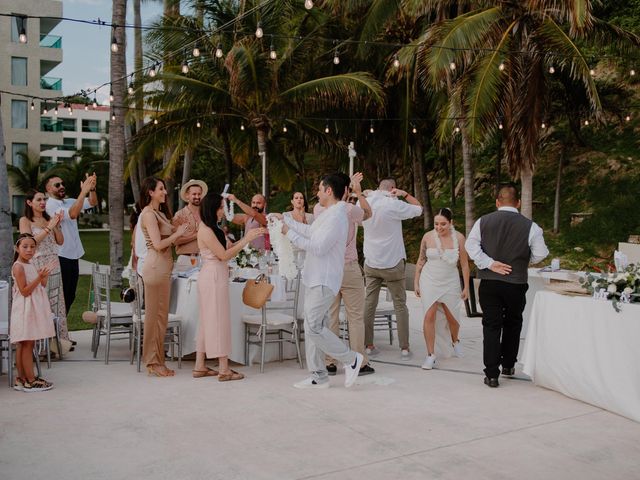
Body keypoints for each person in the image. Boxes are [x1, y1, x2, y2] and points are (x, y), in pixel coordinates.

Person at [273, 173, 364, 389]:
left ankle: (351, 359)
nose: (317, 193)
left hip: (324, 278)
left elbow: (318, 247)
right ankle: (318, 375)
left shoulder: (337, 217)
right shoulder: (328, 213)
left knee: (314, 326)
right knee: (314, 325)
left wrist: (288, 232)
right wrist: (284, 220)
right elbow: (310, 231)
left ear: (329, 191)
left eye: (320, 189)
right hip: (314, 276)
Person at [465, 183, 549, 388]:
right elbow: (541, 253)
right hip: (516, 282)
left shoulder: (483, 221)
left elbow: (470, 246)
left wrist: (489, 263)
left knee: (491, 325)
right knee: (513, 322)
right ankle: (509, 365)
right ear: (518, 202)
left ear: (497, 202)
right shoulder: (531, 226)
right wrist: (521, 260)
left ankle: (492, 374)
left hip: (490, 282)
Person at [193, 193, 266, 382]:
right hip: (213, 276)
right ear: (212, 209)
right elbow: (223, 255)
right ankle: (224, 369)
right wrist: (246, 239)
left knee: (206, 320)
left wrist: (240, 242)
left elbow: (226, 249)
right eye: (220, 208)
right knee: (218, 320)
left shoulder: (212, 228)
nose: (223, 212)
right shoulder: (206, 230)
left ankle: (200, 365)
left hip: (213, 274)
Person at [313, 172, 375, 376]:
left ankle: (331, 361)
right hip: (348, 267)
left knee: (331, 316)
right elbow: (368, 213)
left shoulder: (318, 209)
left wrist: (346, 189)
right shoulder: (350, 210)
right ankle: (360, 362)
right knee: (355, 317)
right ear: (346, 191)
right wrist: (358, 192)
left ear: (328, 190)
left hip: (329, 269)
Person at [362, 178, 422, 360]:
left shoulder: (365, 201)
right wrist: (405, 194)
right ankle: (404, 348)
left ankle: (368, 345)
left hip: (371, 261)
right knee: (400, 305)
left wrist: (366, 193)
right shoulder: (394, 205)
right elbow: (419, 208)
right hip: (393, 262)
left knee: (369, 304)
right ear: (393, 189)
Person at [139, 177, 190, 377]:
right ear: (150, 192)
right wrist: (178, 234)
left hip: (163, 268)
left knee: (161, 317)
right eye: (161, 189)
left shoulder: (159, 213)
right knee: (155, 317)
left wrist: (182, 231)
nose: (165, 192)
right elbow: (159, 245)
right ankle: (152, 362)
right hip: (156, 268)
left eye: (164, 188)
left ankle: (158, 360)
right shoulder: (148, 214)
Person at [414, 208, 470, 370]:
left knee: (452, 317)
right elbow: (420, 260)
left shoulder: (459, 238)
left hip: (450, 280)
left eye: (443, 224)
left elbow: (465, 265)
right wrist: (416, 282)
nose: (439, 227)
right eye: (436, 224)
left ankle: (455, 340)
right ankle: (430, 355)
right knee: (429, 316)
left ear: (451, 223)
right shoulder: (427, 237)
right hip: (429, 279)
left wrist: (466, 286)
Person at [19, 190, 73, 351]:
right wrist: (48, 228)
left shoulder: (48, 219)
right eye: (39, 199)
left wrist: (55, 226)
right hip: (37, 265)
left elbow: (61, 241)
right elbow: (28, 242)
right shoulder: (25, 220)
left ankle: (57, 345)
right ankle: (38, 346)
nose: (43, 202)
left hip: (53, 263)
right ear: (30, 202)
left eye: (44, 199)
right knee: (38, 304)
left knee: (56, 303)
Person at [45, 173, 98, 314]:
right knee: (62, 296)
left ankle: (60, 329)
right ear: (48, 189)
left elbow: (92, 203)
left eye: (62, 184)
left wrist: (91, 189)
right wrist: (83, 192)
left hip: (73, 255)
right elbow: (73, 214)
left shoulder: (68, 202)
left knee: (70, 295)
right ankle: (55, 330)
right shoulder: (50, 205)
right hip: (61, 256)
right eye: (57, 185)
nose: (62, 187)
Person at [10, 233, 56, 392]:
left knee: (25, 343)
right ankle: (30, 380)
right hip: (24, 309)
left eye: (32, 246)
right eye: (25, 247)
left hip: (31, 308)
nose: (29, 250)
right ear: (17, 248)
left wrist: (44, 275)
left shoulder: (30, 263)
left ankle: (21, 379)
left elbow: (40, 285)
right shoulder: (18, 266)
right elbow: (24, 291)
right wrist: (39, 278)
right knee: (26, 343)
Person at [172, 179, 208, 264]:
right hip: (185, 259)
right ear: (187, 195)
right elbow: (175, 241)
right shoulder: (179, 215)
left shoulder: (206, 214)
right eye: (194, 194)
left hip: (205, 258)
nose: (197, 197)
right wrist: (197, 235)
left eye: (199, 194)